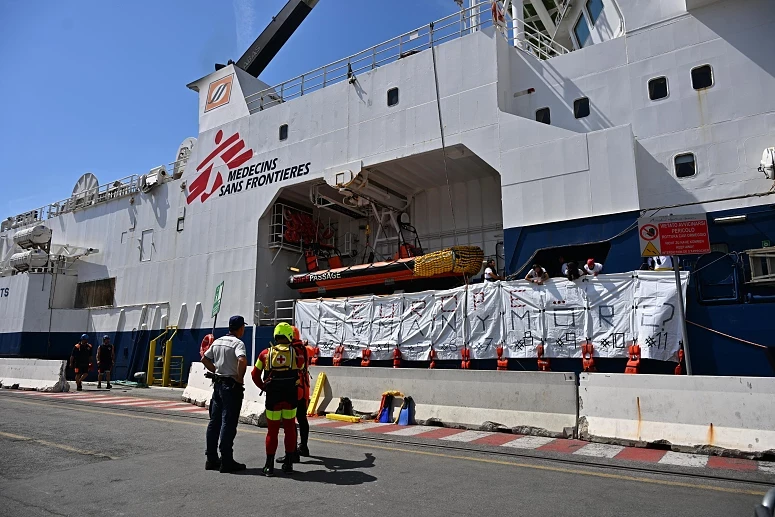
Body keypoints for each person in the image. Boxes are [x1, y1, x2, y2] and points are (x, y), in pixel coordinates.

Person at [251, 322, 306, 477]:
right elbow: (302, 369)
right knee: (290, 428)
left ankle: (269, 466)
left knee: (272, 431)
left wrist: (263, 387)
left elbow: (254, 374)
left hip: (273, 398)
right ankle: (288, 464)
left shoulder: (264, 354)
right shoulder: (297, 354)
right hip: (290, 397)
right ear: (289, 336)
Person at [201, 315, 248, 473]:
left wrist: (216, 370)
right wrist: (239, 378)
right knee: (228, 422)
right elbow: (242, 360)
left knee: (214, 422)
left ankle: (211, 459)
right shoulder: (238, 343)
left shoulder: (218, 341)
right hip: (231, 387)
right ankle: (227, 460)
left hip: (218, 385)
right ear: (240, 328)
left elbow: (204, 359)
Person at [277, 326, 313, 465]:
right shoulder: (305, 349)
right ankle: (303, 447)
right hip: (304, 389)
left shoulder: (288, 350)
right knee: (302, 418)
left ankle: (292, 453)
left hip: (293, 388)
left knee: (290, 421)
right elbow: (311, 350)